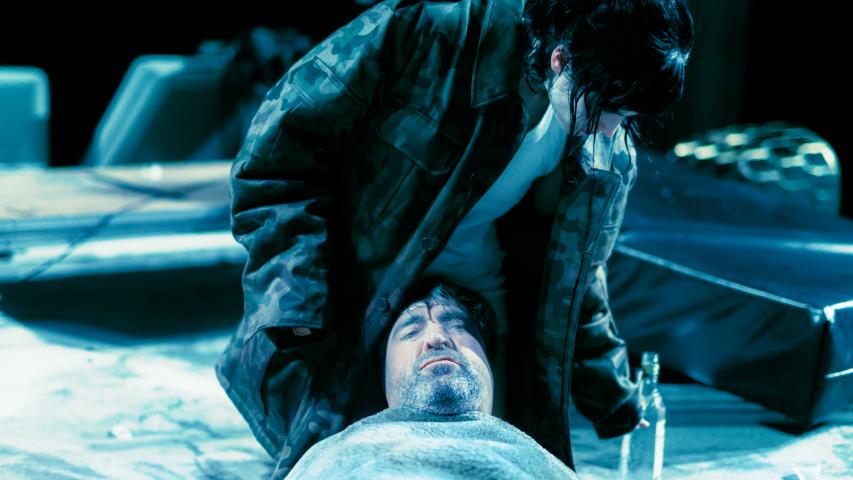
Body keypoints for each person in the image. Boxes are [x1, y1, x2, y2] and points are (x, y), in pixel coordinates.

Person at [215, 0, 694, 476]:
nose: (612, 129)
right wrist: (298, 300)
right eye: (608, 107)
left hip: (481, 284)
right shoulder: (431, 28)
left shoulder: (606, 146)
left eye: (628, 115)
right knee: (353, 458)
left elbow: (580, 274)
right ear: (560, 59)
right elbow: (275, 160)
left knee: (489, 454)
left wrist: (611, 392)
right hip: (365, 285)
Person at [285, 279, 579, 479]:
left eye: (459, 326)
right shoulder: (323, 458)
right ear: (383, 374)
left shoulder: (548, 464)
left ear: (489, 362)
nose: (437, 338)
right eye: (410, 332)